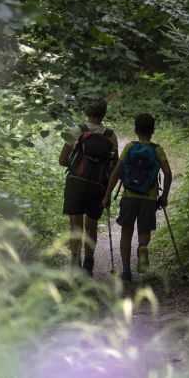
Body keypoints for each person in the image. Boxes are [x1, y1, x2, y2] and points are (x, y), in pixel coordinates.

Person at [103, 113, 172, 282]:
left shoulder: (129, 147)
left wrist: (107, 195)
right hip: (149, 197)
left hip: (129, 196)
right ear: (153, 131)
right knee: (144, 230)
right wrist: (164, 196)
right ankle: (142, 246)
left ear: (135, 130)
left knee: (126, 232)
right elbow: (168, 174)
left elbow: (116, 172)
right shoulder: (157, 150)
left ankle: (126, 271)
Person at [59, 97, 118, 275]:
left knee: (75, 225)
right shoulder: (110, 136)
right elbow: (114, 167)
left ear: (87, 112)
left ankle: (75, 264)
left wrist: (76, 166)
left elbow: (62, 160)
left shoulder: (78, 130)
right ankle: (89, 266)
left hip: (76, 184)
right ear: (103, 114)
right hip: (98, 187)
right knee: (91, 225)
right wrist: (107, 191)